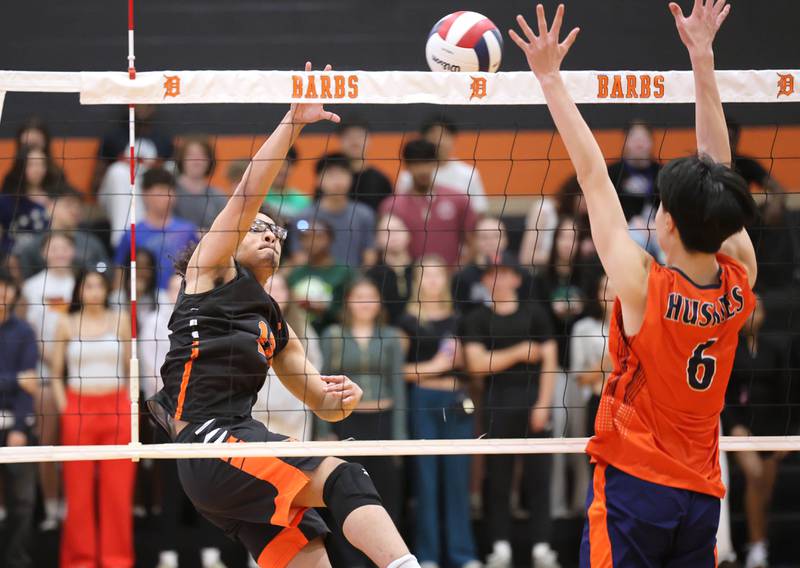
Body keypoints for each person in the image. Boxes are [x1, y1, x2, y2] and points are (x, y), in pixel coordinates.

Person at [508, 3, 758, 564]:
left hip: (636, 484)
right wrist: (703, 57)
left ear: (665, 222)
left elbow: (594, 176)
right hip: (701, 495)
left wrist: (549, 78)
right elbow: (721, 169)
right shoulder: (741, 279)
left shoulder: (646, 287)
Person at [147, 71, 422, 568]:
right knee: (346, 477)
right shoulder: (208, 272)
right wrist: (293, 122)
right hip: (210, 442)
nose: (271, 234)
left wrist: (342, 398)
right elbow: (249, 192)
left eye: (276, 231)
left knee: (308, 551)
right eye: (259, 228)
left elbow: (322, 402)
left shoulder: (276, 322)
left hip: (227, 455)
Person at [460, 251, 559, 568]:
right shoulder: (476, 318)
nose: (497, 279)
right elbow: (476, 366)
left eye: (504, 273)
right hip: (496, 404)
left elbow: (549, 360)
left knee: (539, 476)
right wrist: (520, 351)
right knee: (497, 477)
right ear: (485, 280)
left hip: (534, 401)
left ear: (517, 279)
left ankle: (542, 546)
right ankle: (499, 546)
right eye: (491, 274)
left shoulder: (535, 314)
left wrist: (544, 402)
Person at [318, 278, 407, 567]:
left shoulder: (391, 336)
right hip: (345, 423)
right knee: (347, 494)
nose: (366, 302)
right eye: (359, 296)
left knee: (385, 495)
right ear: (348, 302)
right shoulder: (333, 335)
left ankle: (385, 559)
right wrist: (324, 432)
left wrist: (400, 438)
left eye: (371, 296)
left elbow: (399, 387)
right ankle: (350, 562)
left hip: (382, 423)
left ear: (379, 303)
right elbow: (321, 387)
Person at [398, 257, 481, 568]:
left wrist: (461, 361)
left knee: (458, 480)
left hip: (457, 402)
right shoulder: (407, 320)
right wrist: (434, 367)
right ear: (417, 281)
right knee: (426, 480)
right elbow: (398, 370)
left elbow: (471, 364)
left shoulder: (459, 319)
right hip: (422, 401)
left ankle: (463, 554)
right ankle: (428, 555)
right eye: (425, 274)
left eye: (437, 274)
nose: (431, 280)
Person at [50, 269, 135, 568]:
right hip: (78, 409)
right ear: (79, 291)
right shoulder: (66, 322)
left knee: (117, 492)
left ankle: (118, 560)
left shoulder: (121, 320)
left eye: (100, 285)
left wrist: (131, 404)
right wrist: (65, 407)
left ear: (106, 290)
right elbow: (55, 371)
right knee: (78, 493)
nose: (95, 291)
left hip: (117, 408)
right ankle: (79, 561)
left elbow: (131, 369)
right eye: (89, 286)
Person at [723, 296, 792, 568]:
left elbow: (785, 393)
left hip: (770, 427)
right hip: (740, 426)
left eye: (757, 310)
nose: (753, 315)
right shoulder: (728, 347)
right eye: (748, 310)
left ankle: (758, 543)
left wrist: (786, 434)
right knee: (755, 475)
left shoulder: (775, 348)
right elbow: (723, 394)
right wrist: (734, 426)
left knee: (766, 488)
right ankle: (757, 546)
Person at [20, 232, 76, 530]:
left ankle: (72, 505)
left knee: (76, 446)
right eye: (53, 247)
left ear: (72, 251)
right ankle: (53, 509)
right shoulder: (31, 287)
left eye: (64, 247)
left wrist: (70, 359)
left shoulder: (79, 284)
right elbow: (29, 332)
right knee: (48, 442)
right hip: (44, 374)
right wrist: (53, 359)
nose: (59, 252)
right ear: (44, 253)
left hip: (80, 373)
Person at [380, 139, 478, 270]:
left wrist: (456, 274)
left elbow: (473, 242)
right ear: (407, 166)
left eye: (428, 162)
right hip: (408, 281)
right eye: (417, 163)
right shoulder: (391, 206)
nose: (423, 169)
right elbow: (384, 248)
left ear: (436, 164)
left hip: (451, 282)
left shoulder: (458, 199)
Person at [253, 272, 321, 441]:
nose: (274, 293)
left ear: (288, 294)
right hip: (257, 417)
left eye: (279, 288)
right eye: (268, 288)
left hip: (295, 418)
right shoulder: (247, 326)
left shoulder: (304, 329)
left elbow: (315, 374)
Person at [0, 269, 38, 568]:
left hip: (16, 425)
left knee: (23, 500)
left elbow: (31, 387)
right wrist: (12, 380)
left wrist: (18, 427)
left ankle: (15, 559)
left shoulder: (24, 331)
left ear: (12, 293)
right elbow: (22, 381)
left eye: (5, 288)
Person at [114, 167, 199, 291]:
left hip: (180, 299)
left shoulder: (188, 231)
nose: (167, 197)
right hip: (144, 301)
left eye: (170, 191)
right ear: (145, 194)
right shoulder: (131, 234)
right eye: (160, 191)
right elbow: (119, 277)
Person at [291, 153, 377, 267]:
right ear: (318, 180)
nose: (337, 181)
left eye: (342, 174)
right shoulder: (303, 217)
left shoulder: (364, 214)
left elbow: (369, 256)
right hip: (316, 281)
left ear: (351, 178)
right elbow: (299, 259)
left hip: (354, 281)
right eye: (331, 175)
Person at [12, 185, 109, 280]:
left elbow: (105, 271)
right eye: (68, 204)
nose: (75, 210)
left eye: (78, 206)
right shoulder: (32, 245)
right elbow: (26, 279)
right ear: (50, 207)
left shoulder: (92, 243)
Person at [396, 116, 489, 214]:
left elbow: (479, 211)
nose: (438, 141)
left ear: (453, 138)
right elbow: (399, 210)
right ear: (423, 140)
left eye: (444, 135)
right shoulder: (408, 176)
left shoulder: (469, 173)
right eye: (433, 135)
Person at [452, 216, 536, 316]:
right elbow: (459, 313)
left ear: (506, 239)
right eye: (484, 237)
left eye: (497, 236)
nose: (491, 242)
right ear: (475, 241)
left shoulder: (522, 274)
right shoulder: (462, 278)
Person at [287, 218, 355, 333]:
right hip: (299, 332)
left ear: (330, 239)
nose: (312, 241)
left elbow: (352, 311)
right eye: (305, 237)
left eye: (318, 236)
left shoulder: (344, 272)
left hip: (334, 333)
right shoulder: (295, 274)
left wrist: (326, 310)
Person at [0, 146, 58, 255]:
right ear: (20, 167)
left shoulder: (55, 195)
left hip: (48, 254)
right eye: (31, 164)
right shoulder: (6, 199)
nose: (38, 170)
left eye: (42, 164)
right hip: (11, 255)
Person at [366, 214, 415, 325]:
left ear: (408, 234)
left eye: (397, 230)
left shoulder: (421, 271)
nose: (393, 236)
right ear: (377, 239)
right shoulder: (371, 276)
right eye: (386, 232)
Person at [337, 118, 393, 212]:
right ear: (341, 141)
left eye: (360, 136)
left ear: (369, 140)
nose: (354, 142)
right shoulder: (332, 178)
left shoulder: (381, 179)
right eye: (349, 137)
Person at [173, 135, 228, 230]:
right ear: (181, 159)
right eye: (190, 154)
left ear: (209, 161)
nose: (196, 160)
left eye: (202, 154)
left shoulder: (218, 196)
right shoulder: (169, 192)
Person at [264, 146, 312, 220]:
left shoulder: (303, 201)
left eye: (288, 165)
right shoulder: (258, 197)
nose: (283, 170)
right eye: (279, 165)